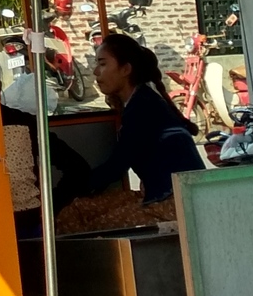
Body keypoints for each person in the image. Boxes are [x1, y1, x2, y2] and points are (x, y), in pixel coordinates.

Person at [86, 31, 204, 203]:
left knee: (75, 215)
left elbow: (116, 166)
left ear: (126, 69)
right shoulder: (142, 101)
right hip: (176, 197)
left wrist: (76, 187)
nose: (96, 71)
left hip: (177, 204)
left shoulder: (142, 108)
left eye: (102, 64)